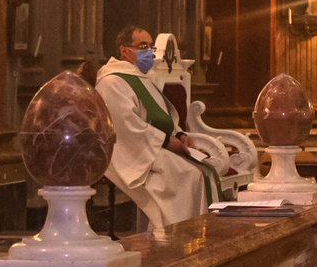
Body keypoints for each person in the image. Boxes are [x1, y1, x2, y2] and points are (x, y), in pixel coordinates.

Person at [96, 24, 225, 230]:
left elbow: (164, 115)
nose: (149, 52)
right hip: (132, 152)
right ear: (124, 51)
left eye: (151, 47)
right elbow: (125, 126)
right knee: (191, 177)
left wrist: (180, 134)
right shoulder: (112, 82)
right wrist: (165, 141)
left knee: (206, 172)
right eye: (143, 46)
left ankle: (199, 238)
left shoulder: (141, 77)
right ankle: (176, 237)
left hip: (152, 145)